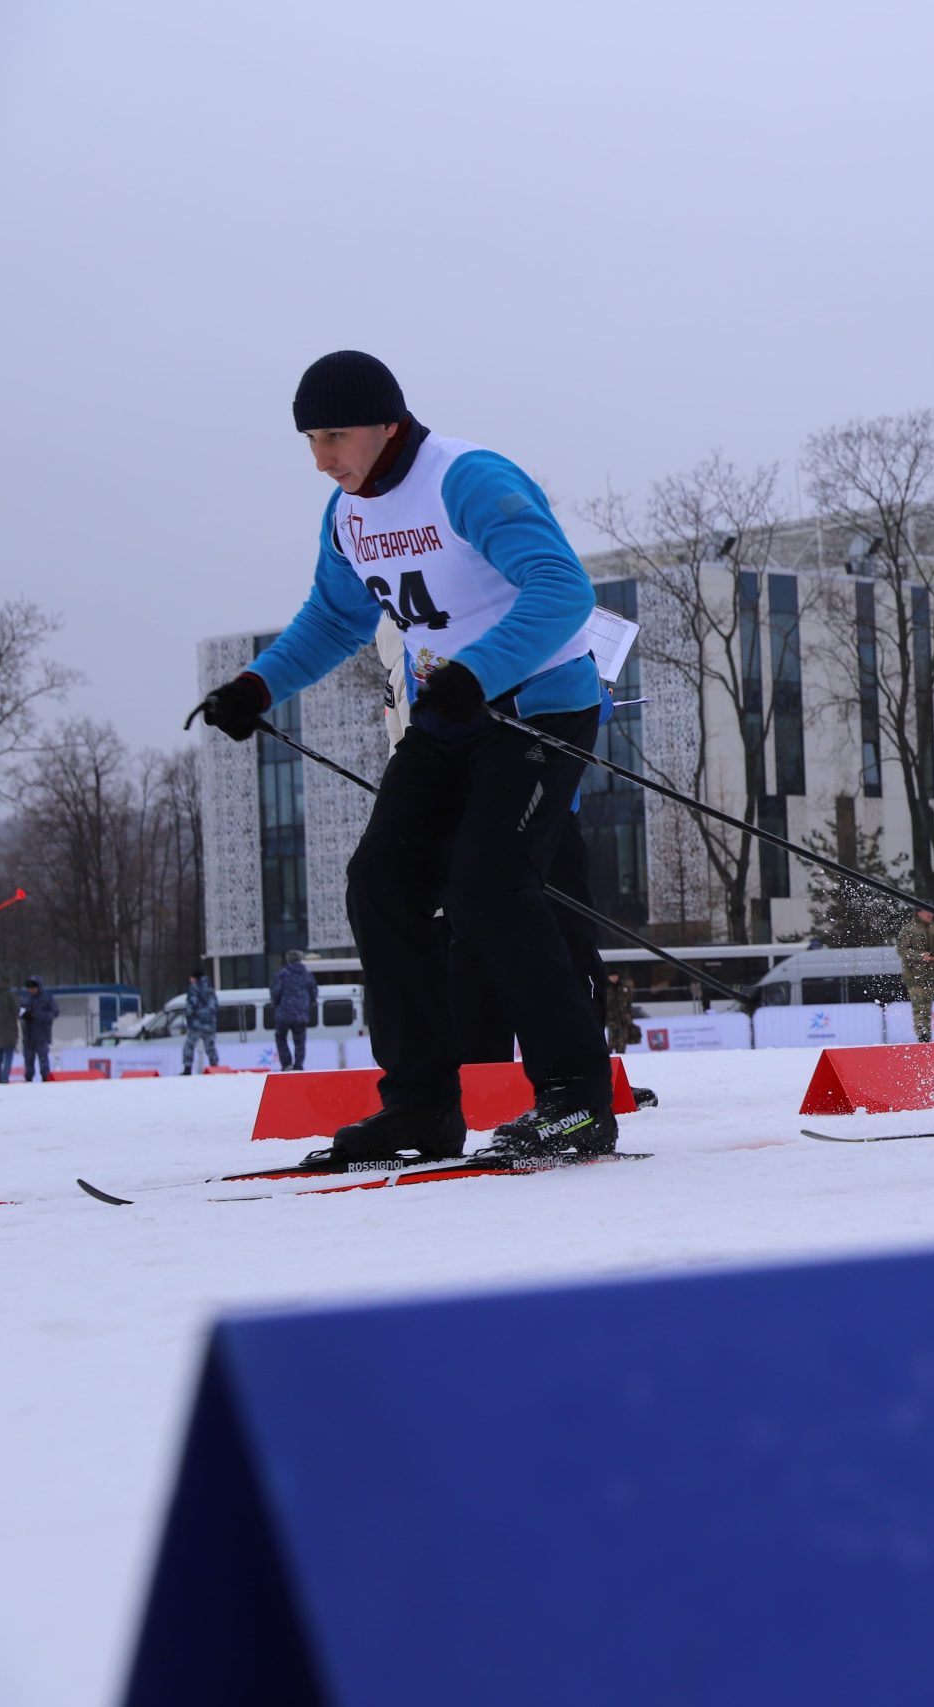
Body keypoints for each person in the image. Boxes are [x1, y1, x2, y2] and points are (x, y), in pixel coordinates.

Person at [192, 351, 613, 1165]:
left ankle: (576, 1102)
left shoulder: (468, 479)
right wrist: (255, 685)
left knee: (490, 886)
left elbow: (563, 591)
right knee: (381, 883)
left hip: (538, 707)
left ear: (387, 424)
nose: (321, 457)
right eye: (309, 439)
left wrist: (480, 672)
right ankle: (421, 1106)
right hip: (449, 715)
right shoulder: (346, 513)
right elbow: (334, 619)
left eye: (334, 435)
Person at [896, 908, 934, 1041]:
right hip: (913, 975)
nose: (930, 914)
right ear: (918, 913)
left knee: (927, 1006)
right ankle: (922, 1034)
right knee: (919, 1006)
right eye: (926, 911)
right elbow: (902, 950)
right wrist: (920, 956)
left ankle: (926, 1034)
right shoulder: (908, 929)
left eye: (930, 911)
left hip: (930, 975)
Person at [268, 950, 317, 1072]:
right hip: (301, 1015)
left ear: (288, 959)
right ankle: (298, 1065)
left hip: (284, 1014)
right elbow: (314, 993)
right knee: (300, 1041)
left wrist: (277, 1005)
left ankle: (287, 1064)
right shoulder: (307, 975)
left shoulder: (282, 974)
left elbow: (275, 993)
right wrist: (306, 1005)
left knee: (280, 1037)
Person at [179, 969, 219, 1075]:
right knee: (210, 1047)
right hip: (210, 1024)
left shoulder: (194, 988)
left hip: (196, 1024)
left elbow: (191, 1005)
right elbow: (215, 1005)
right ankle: (215, 1067)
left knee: (189, 1046)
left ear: (195, 978)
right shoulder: (210, 988)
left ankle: (187, 1068)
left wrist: (189, 1017)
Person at [19, 977, 56, 1082]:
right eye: (29, 988)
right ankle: (28, 1077)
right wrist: (25, 1015)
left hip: (42, 1034)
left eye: (33, 987)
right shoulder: (27, 999)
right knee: (28, 1059)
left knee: (43, 1058)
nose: (31, 990)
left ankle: (45, 1077)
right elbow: (20, 1012)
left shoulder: (47, 999)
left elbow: (54, 1012)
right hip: (29, 1034)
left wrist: (38, 1015)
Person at [603, 971, 643, 1055]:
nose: (614, 978)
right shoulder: (606, 988)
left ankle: (621, 1055)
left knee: (623, 1039)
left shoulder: (623, 988)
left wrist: (629, 1016)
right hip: (611, 1019)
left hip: (624, 1018)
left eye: (615, 976)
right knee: (612, 1039)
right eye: (612, 976)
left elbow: (628, 1003)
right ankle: (609, 1057)